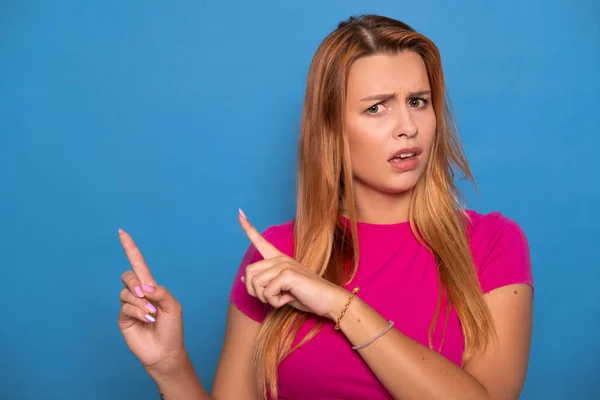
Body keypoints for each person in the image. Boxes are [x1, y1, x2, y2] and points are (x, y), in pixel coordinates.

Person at [117, 14, 534, 400]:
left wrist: (339, 304)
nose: (407, 127)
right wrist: (170, 366)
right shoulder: (277, 256)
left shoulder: (491, 243)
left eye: (418, 101)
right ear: (331, 127)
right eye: (377, 107)